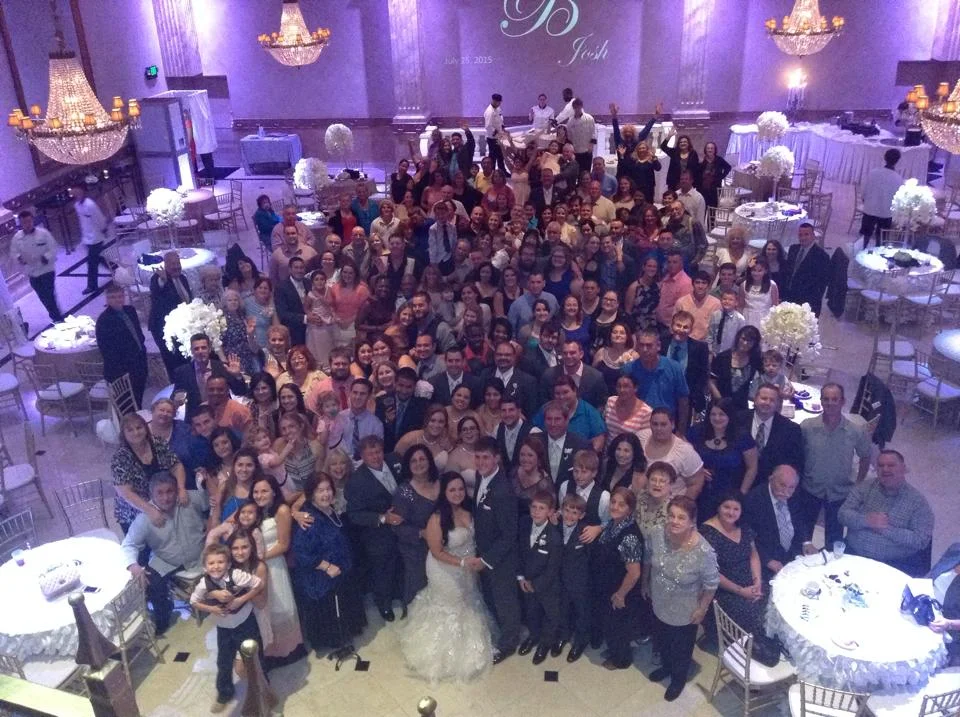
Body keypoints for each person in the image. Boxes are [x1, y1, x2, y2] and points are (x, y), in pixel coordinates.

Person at [399, 472, 494, 681]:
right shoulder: (436, 518)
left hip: (468, 568)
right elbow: (436, 551)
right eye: (452, 490)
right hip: (444, 569)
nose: (458, 493)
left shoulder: (469, 509)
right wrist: (462, 563)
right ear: (444, 492)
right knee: (450, 606)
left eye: (460, 489)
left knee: (467, 602)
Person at [643, 496, 719, 701]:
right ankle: (667, 667)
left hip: (685, 609)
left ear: (692, 521)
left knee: (681, 648)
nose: (674, 521)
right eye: (672, 515)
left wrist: (702, 608)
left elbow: (712, 584)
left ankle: (678, 678)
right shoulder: (657, 533)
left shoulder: (704, 552)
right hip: (659, 600)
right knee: (663, 640)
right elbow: (648, 558)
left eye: (681, 517)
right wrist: (644, 583)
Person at [121, 472, 207, 636]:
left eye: (170, 491)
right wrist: (133, 566)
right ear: (151, 495)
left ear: (176, 490)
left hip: (201, 553)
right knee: (150, 580)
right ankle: (163, 617)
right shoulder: (145, 518)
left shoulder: (187, 499)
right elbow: (128, 545)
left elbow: (210, 501)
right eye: (160, 493)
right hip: (168, 560)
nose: (166, 498)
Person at [291, 473, 366, 657]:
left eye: (328, 490)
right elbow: (302, 553)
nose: (325, 494)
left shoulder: (330, 510)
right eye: (320, 491)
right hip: (322, 576)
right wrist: (326, 566)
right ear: (311, 494)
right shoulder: (308, 519)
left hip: (341, 571)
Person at [190, 543, 264, 713]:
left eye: (220, 562)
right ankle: (224, 694)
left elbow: (258, 584)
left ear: (228, 564)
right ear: (205, 567)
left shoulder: (236, 575)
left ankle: (261, 690)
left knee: (254, 659)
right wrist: (212, 609)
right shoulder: (204, 583)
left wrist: (241, 599)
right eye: (211, 563)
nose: (216, 566)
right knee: (223, 662)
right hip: (224, 628)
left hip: (245, 623)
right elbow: (193, 601)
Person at [838, 449, 934, 577]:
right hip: (852, 555)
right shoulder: (865, 487)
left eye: (891, 465)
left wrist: (885, 529)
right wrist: (866, 520)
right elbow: (842, 514)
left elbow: (921, 540)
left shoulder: (918, 502)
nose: (885, 469)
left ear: (904, 469)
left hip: (892, 566)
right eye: (881, 465)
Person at [798, 383, 872, 547]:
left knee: (834, 537)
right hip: (810, 488)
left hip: (839, 492)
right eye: (826, 399)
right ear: (821, 401)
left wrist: (859, 483)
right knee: (803, 536)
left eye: (835, 399)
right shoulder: (807, 427)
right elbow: (798, 454)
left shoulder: (855, 431)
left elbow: (866, 456)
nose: (830, 403)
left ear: (842, 401)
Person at [473, 437, 522, 663]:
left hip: (501, 559)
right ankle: (499, 631)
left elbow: (509, 534)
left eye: (486, 457)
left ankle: (509, 642)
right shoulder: (480, 478)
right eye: (478, 457)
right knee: (492, 597)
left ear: (497, 459)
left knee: (505, 601)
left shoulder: (503, 491)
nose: (481, 462)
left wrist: (487, 559)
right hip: (484, 552)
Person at [249, 475, 306, 667]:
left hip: (275, 564)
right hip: (258, 567)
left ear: (274, 491)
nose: (259, 495)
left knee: (280, 606)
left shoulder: (281, 510)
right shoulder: (255, 511)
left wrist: (259, 558)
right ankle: (270, 650)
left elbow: (283, 544)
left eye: (264, 491)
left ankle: (288, 649)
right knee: (265, 609)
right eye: (256, 491)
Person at [345, 435, 403, 620]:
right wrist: (383, 518)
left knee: (402, 564)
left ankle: (401, 594)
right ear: (362, 456)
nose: (376, 457)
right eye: (370, 454)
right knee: (382, 569)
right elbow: (355, 514)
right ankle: (384, 604)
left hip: (404, 526)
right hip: (377, 533)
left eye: (378, 451)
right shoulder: (356, 481)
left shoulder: (395, 461)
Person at [700, 492, 765, 637]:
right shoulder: (707, 532)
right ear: (718, 507)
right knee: (751, 612)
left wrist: (757, 581)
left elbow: (753, 554)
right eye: (726, 507)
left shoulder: (743, 526)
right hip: (722, 589)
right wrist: (742, 591)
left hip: (747, 580)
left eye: (736, 509)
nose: (731, 512)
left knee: (771, 597)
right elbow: (710, 572)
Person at [594, 487, 644, 670]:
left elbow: (634, 572)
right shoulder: (614, 524)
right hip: (607, 585)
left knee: (618, 627)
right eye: (613, 502)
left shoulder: (629, 535)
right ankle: (615, 650)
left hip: (620, 590)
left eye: (621, 504)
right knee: (611, 624)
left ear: (629, 510)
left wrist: (621, 595)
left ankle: (621, 660)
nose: (615, 506)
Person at [112, 413, 187, 535]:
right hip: (134, 510)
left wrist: (181, 488)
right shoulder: (120, 457)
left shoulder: (157, 444)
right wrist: (149, 510)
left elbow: (176, 465)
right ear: (124, 434)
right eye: (130, 430)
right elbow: (125, 492)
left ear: (146, 428)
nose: (136, 432)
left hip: (161, 501)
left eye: (139, 427)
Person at [687, 399, 758, 520]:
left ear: (730, 416)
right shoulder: (697, 432)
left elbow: (752, 467)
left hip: (729, 496)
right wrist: (698, 470)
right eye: (713, 414)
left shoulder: (742, 437)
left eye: (721, 414)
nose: (717, 418)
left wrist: (741, 495)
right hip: (701, 494)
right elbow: (686, 458)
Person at [516, 490, 562, 665]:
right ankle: (533, 636)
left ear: (550, 512)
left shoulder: (554, 537)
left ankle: (545, 643)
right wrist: (520, 577)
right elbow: (520, 554)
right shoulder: (524, 525)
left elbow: (553, 568)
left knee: (550, 615)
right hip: (526, 581)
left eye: (541, 508)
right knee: (531, 612)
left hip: (546, 586)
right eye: (533, 507)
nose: (536, 511)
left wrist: (535, 584)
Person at [392, 444, 441, 607]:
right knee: (420, 587)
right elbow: (397, 526)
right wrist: (422, 533)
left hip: (443, 545)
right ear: (408, 465)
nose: (418, 463)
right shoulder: (403, 492)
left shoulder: (440, 483)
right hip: (416, 549)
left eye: (422, 459)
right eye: (413, 461)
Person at [743, 464, 810, 582]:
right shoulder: (753, 500)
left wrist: (806, 542)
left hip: (793, 552)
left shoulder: (795, 494)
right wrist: (767, 560)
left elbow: (800, 519)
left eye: (791, 487)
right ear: (771, 479)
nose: (786, 492)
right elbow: (747, 537)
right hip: (767, 557)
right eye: (782, 485)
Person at [622, 328, 691, 431]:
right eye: (641, 345)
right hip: (638, 426)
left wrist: (681, 432)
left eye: (649, 345)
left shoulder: (674, 368)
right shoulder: (629, 369)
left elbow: (683, 401)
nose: (645, 349)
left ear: (658, 346)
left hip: (666, 426)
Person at [95, 282, 148, 408]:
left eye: (120, 296)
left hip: (139, 362)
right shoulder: (104, 321)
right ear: (107, 299)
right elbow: (107, 352)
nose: (117, 300)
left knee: (138, 397)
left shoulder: (130, 310)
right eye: (113, 297)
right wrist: (123, 372)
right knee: (126, 405)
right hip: (121, 371)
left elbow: (137, 333)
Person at [739, 382, 804, 485]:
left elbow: (794, 464)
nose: (767, 403)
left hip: (770, 487)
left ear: (778, 404)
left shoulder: (791, 430)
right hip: (737, 482)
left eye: (772, 400)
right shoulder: (738, 420)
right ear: (755, 400)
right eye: (764, 398)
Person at [173, 333, 248, 413]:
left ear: (209, 349)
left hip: (223, 414)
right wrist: (177, 400)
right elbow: (176, 396)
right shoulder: (182, 372)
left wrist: (237, 376)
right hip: (197, 419)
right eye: (196, 349)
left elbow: (240, 391)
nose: (200, 351)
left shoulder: (222, 367)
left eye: (203, 348)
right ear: (191, 351)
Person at [10, 210, 62, 322]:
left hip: (47, 270)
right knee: (43, 297)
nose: (27, 224)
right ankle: (55, 316)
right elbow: (14, 253)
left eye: (29, 221)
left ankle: (57, 318)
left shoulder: (43, 233)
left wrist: (46, 257)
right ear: (20, 223)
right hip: (32, 273)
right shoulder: (17, 238)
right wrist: (19, 258)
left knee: (49, 295)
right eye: (24, 222)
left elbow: (53, 247)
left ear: (32, 220)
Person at [641, 409, 706, 498]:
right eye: (655, 424)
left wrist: (683, 506)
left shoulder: (685, 451)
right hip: (640, 503)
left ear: (672, 425)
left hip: (670, 507)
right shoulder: (640, 438)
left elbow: (696, 482)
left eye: (663, 424)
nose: (658, 428)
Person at [148, 251, 193, 379]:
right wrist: (162, 279)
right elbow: (156, 290)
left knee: (185, 358)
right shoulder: (158, 278)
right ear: (165, 265)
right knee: (172, 361)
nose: (176, 266)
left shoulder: (183, 278)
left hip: (181, 327)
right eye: (173, 264)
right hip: (163, 330)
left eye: (178, 263)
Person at [661, 310, 710, 417]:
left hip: (686, 400)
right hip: (661, 396)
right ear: (671, 326)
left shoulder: (700, 348)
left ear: (691, 329)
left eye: (685, 327)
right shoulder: (661, 342)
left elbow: (702, 375)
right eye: (678, 325)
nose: (681, 330)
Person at [781, 223, 831, 316]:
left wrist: (809, 306)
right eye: (800, 235)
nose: (803, 238)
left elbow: (821, 284)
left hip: (807, 303)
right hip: (789, 298)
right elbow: (788, 273)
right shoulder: (793, 249)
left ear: (813, 236)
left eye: (806, 234)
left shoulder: (822, 256)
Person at [709, 325, 762, 410]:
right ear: (738, 338)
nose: (745, 343)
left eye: (750, 341)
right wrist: (719, 399)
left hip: (741, 407)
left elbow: (767, 376)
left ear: (755, 343)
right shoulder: (722, 357)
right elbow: (711, 381)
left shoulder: (755, 360)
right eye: (743, 339)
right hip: (719, 405)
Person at [71, 183, 112, 295]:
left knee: (92, 262)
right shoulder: (77, 205)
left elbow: (99, 218)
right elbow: (83, 222)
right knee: (99, 259)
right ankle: (117, 270)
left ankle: (92, 286)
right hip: (87, 238)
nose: (73, 192)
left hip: (96, 238)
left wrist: (104, 229)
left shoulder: (90, 205)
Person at [333, 378, 383, 462]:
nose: (357, 397)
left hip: (366, 466)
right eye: (355, 393)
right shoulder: (338, 418)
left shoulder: (376, 424)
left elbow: (376, 454)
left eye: (362, 394)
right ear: (350, 393)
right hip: (341, 465)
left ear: (369, 396)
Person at [860, 148, 903, 248]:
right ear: (897, 161)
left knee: (866, 234)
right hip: (886, 212)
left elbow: (864, 190)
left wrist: (866, 201)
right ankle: (878, 253)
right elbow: (898, 199)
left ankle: (862, 250)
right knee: (881, 237)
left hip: (870, 208)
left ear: (884, 158)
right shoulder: (898, 179)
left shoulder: (873, 172)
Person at [928, 544, 960, 666]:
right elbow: (931, 576)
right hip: (924, 608)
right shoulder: (956, 550)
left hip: (947, 630)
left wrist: (949, 624)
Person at [603, 374, 653, 446]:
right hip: (608, 453)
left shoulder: (646, 412)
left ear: (635, 388)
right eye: (619, 386)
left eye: (626, 386)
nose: (622, 390)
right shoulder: (610, 401)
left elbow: (644, 441)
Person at [675, 271, 721, 342]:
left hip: (706, 344)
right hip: (685, 342)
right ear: (692, 284)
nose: (700, 286)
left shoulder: (716, 304)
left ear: (708, 285)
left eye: (704, 283)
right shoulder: (681, 302)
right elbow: (674, 326)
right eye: (697, 282)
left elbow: (717, 329)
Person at [740, 258, 779, 330]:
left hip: (765, 318)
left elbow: (775, 306)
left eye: (760, 270)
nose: (756, 273)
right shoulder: (744, 284)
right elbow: (741, 305)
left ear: (766, 271)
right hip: (748, 317)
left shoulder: (772, 285)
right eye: (754, 270)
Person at [706, 288, 746, 356]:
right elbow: (710, 334)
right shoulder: (715, 315)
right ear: (721, 300)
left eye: (731, 300)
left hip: (731, 353)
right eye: (724, 299)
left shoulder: (740, 319)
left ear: (736, 302)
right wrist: (710, 350)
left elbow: (740, 339)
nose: (727, 301)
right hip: (715, 352)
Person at [565, 99, 597, 173]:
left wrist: (591, 146)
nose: (577, 109)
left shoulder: (589, 118)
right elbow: (569, 137)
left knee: (586, 172)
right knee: (576, 172)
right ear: (573, 108)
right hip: (575, 151)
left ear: (581, 106)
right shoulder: (570, 121)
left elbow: (593, 133)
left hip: (586, 150)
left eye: (578, 107)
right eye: (575, 107)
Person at [698, 142, 731, 208]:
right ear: (705, 150)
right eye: (708, 148)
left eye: (712, 148)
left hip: (715, 188)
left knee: (713, 208)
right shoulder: (702, 161)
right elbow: (698, 174)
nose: (710, 150)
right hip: (703, 188)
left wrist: (721, 176)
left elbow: (728, 167)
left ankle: (712, 219)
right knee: (703, 207)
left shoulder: (719, 160)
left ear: (715, 150)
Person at [484, 93, 509, 176]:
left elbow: (500, 120)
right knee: (493, 156)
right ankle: (492, 173)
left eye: (500, 102)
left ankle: (502, 171)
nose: (499, 103)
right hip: (492, 138)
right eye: (497, 102)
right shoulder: (489, 111)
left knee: (500, 155)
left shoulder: (498, 109)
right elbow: (488, 126)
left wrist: (503, 129)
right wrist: (497, 133)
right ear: (494, 101)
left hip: (499, 137)